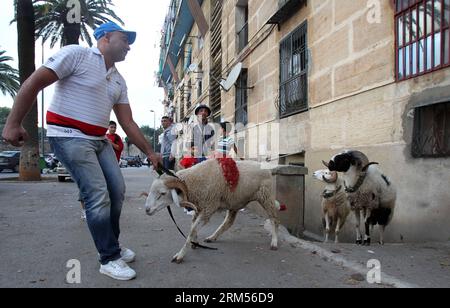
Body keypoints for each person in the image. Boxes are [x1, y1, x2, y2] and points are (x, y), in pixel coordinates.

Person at [2, 21, 160, 281]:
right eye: (124, 39)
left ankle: (113, 246)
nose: (129, 46)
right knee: (97, 194)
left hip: (99, 140)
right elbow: (35, 82)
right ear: (105, 38)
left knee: (117, 191)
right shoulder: (76, 54)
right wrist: (13, 122)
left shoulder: (118, 80)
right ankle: (108, 258)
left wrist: (150, 153)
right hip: (68, 136)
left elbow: (127, 122)